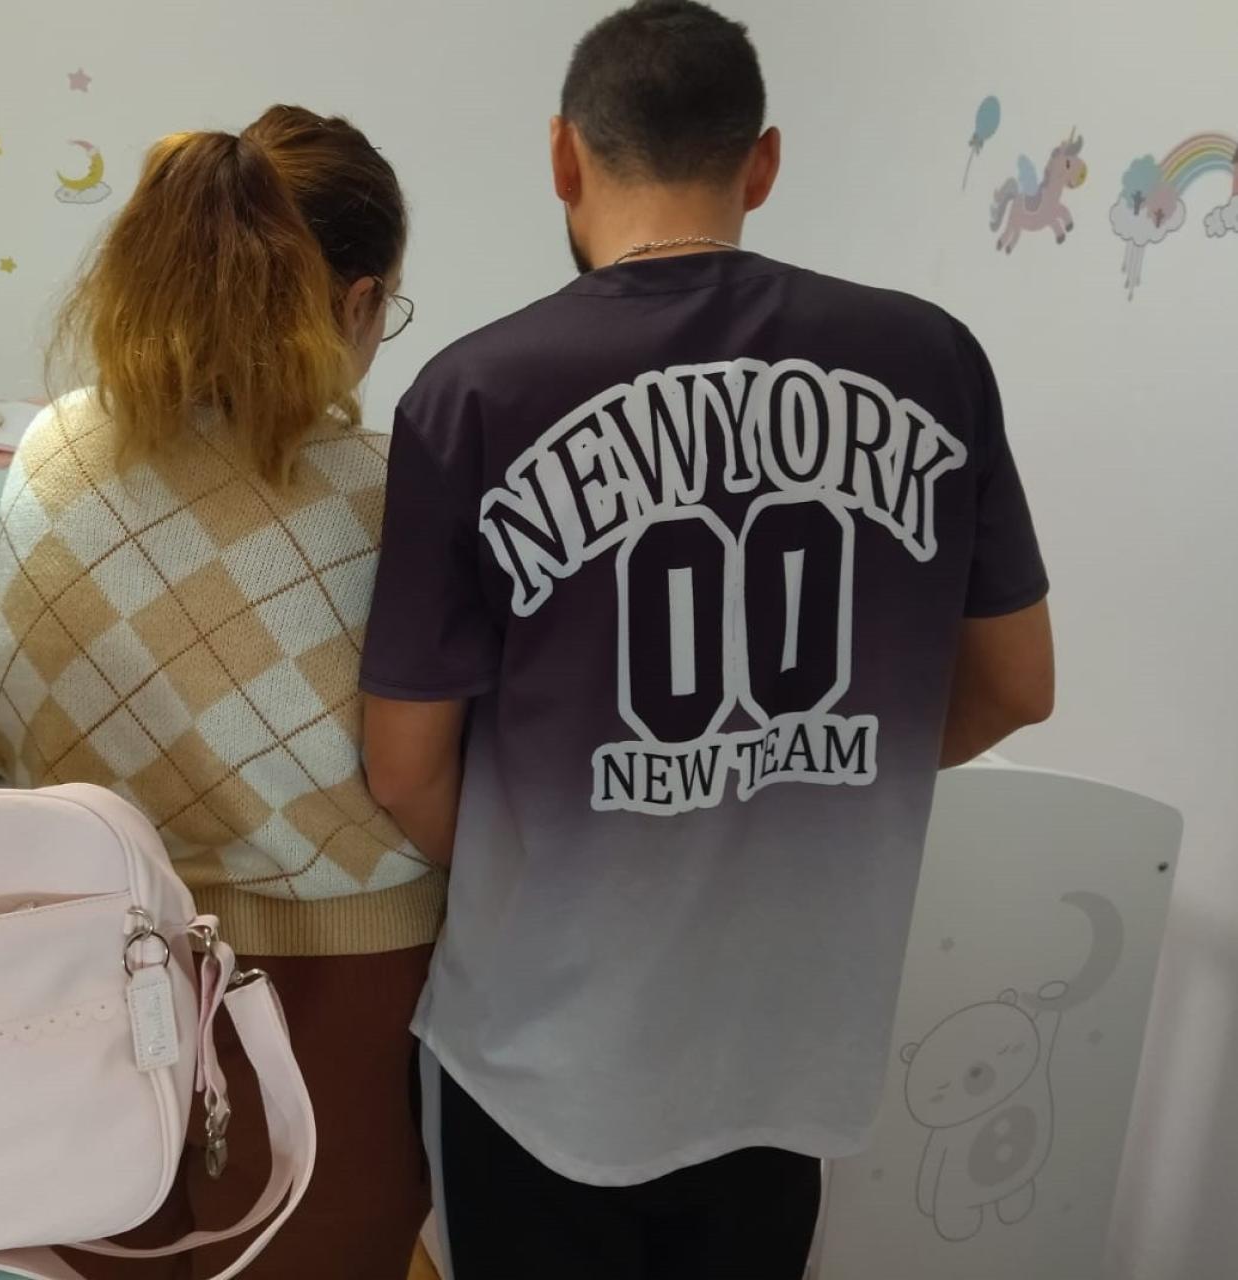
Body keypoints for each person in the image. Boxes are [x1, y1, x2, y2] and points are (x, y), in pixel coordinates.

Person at [359, 3, 1054, 1276]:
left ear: (562, 158)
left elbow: (403, 766)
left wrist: (559, 853)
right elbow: (1016, 685)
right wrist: (806, 776)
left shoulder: (472, 392)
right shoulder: (931, 360)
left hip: (541, 1062)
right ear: (763, 160)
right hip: (788, 1056)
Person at [0, 104, 441, 1279]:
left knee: (110, 1244)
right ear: (356, 300)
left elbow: (5, 721)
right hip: (334, 973)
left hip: (90, 948)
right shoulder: (384, 495)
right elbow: (415, 761)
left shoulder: (51, 452)